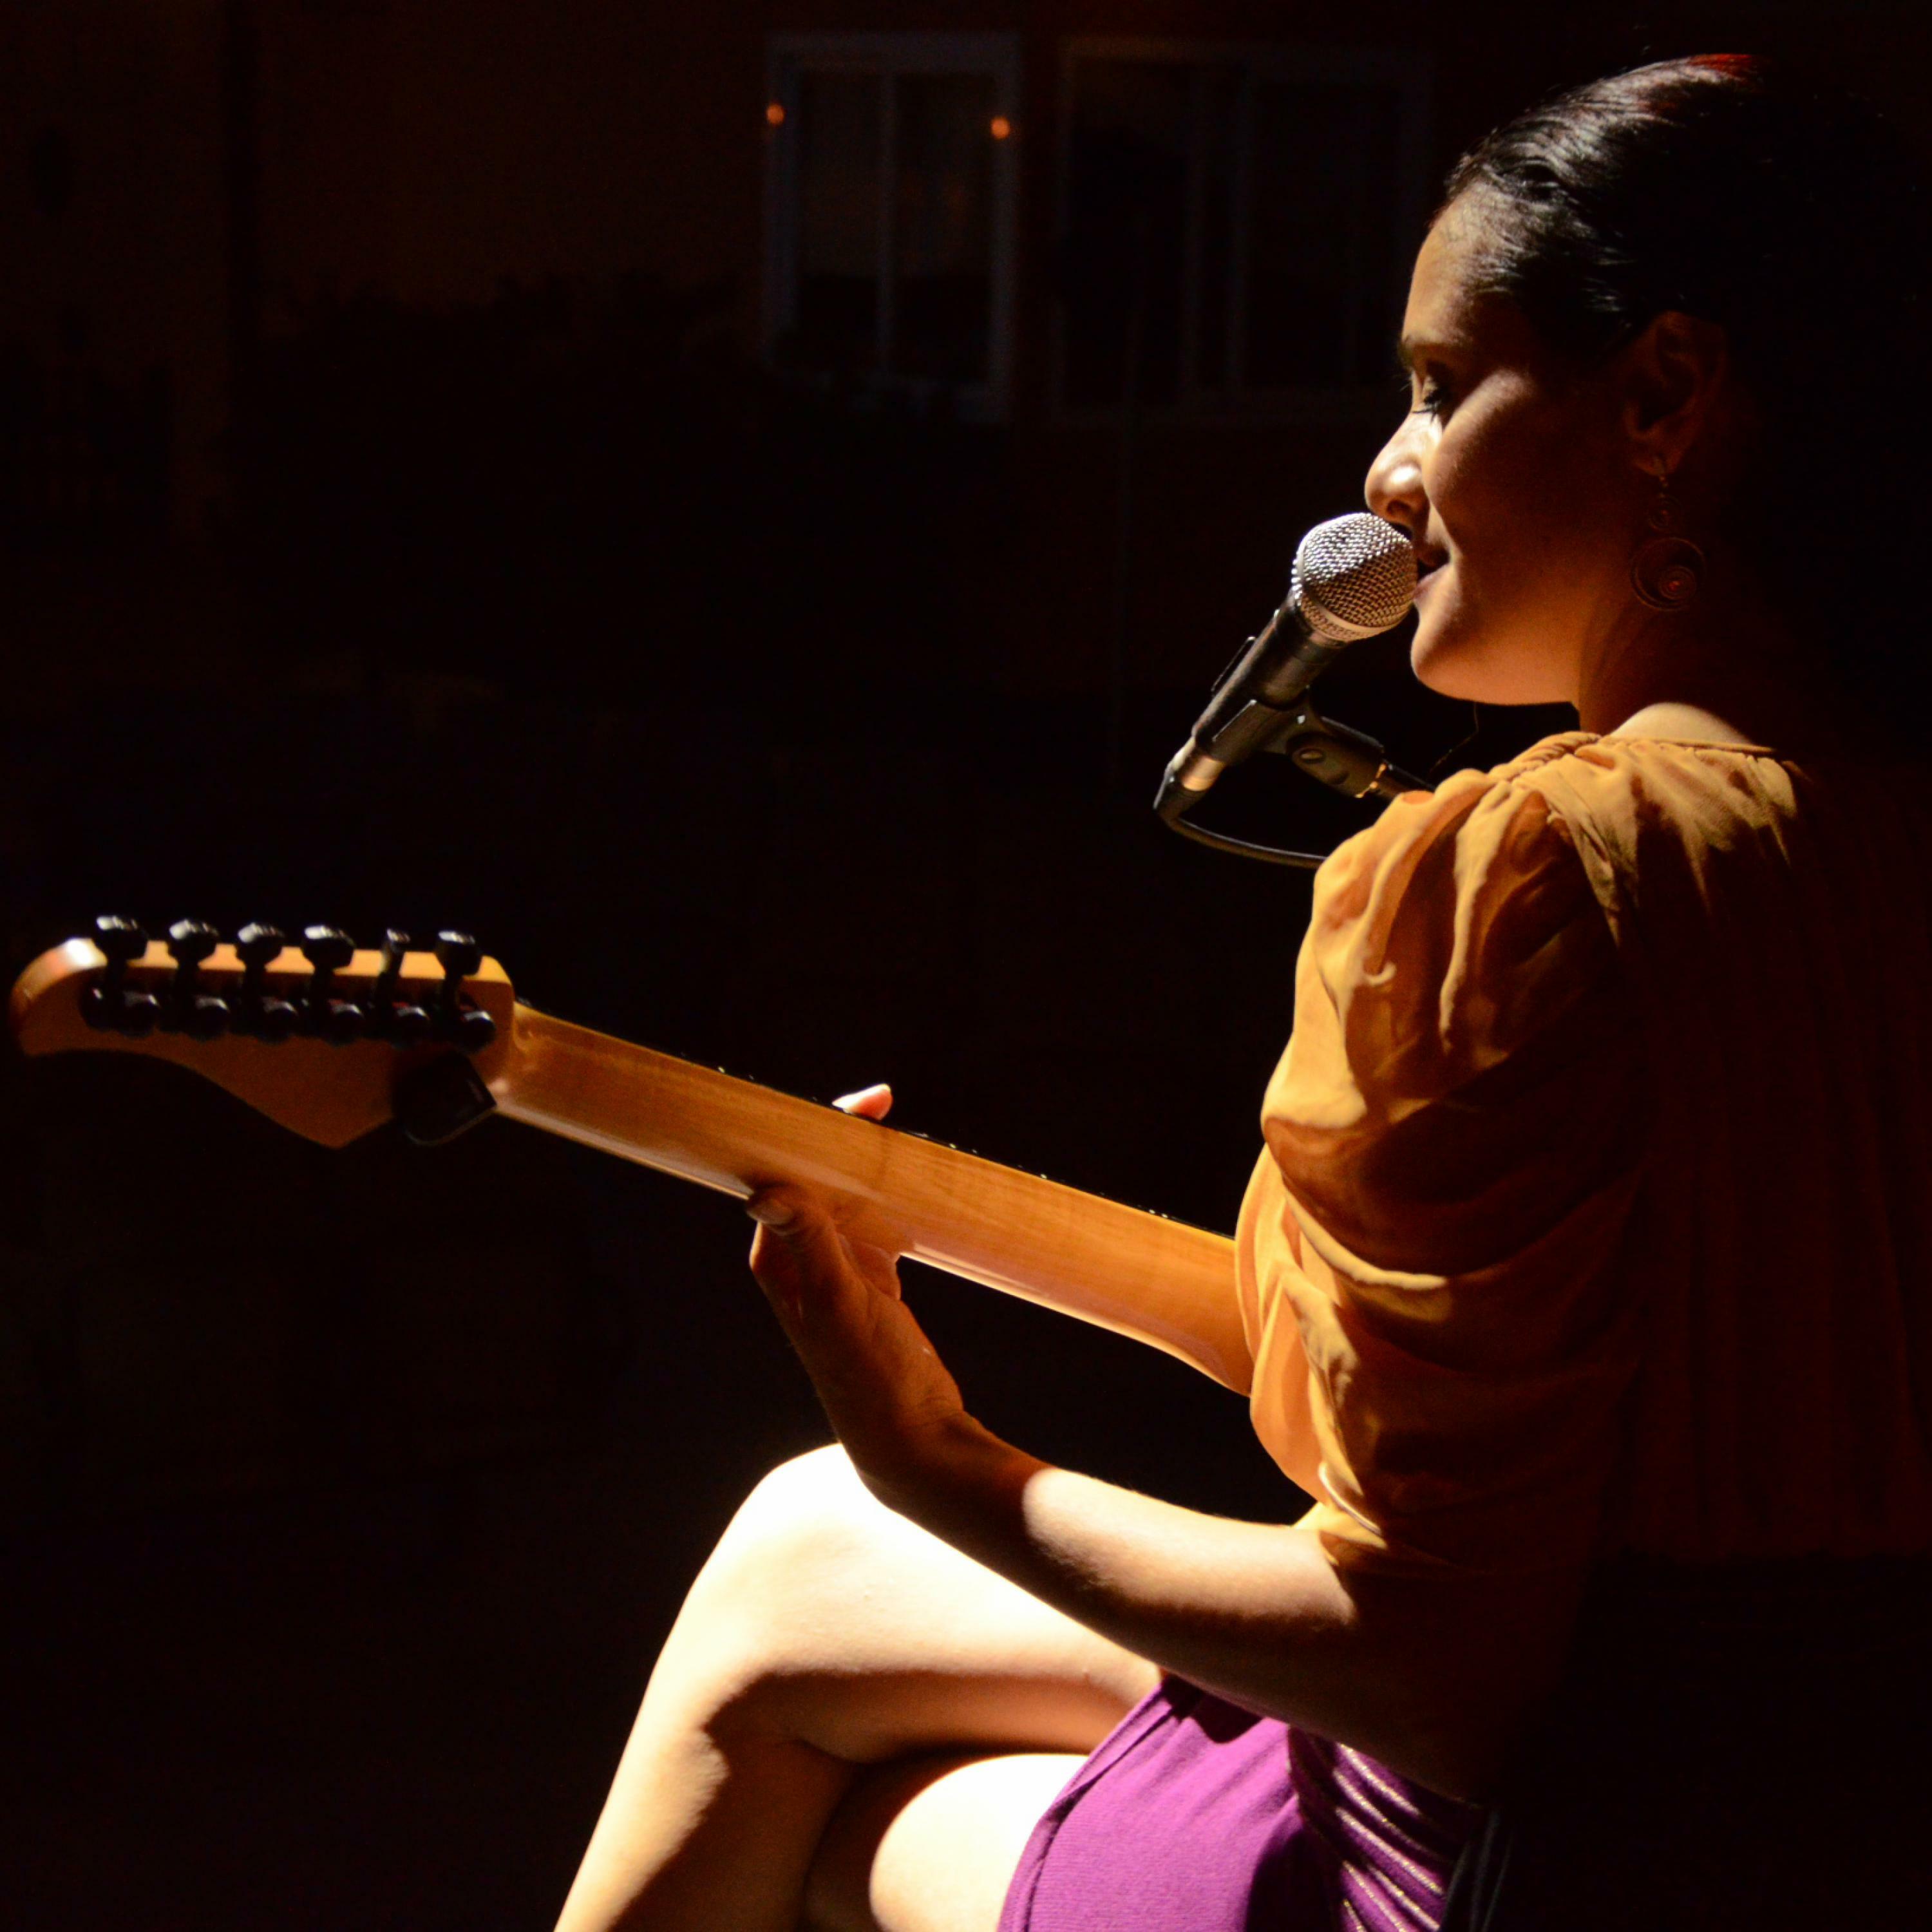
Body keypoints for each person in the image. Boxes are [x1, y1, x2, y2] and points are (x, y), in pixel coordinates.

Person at [555, 55, 1932, 1932]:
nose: (1388, 471)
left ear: (1664, 400)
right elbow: (1523, 1378)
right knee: (811, 1565)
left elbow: (1440, 1675)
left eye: (1440, 385)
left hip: (1538, 1853)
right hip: (1827, 1824)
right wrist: (906, 1221)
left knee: (863, 1745)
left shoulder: (1531, 871)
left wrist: (936, 1458)